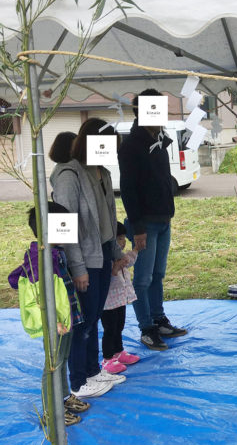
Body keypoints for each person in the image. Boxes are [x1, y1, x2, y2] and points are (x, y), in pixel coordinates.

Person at [50, 118, 127, 398]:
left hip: (104, 252)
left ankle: (93, 370)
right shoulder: (69, 175)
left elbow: (109, 216)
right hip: (82, 258)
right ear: (89, 143)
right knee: (82, 320)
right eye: (105, 146)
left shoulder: (102, 173)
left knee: (94, 316)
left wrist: (117, 254)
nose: (110, 152)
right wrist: (78, 267)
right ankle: (79, 381)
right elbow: (65, 226)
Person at [7, 202, 88, 426]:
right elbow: (31, 293)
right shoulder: (39, 260)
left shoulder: (55, 253)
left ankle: (62, 398)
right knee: (53, 365)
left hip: (67, 319)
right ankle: (51, 412)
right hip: (57, 323)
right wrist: (52, 321)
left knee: (61, 360)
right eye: (64, 224)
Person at [118, 89, 187, 351]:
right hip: (144, 223)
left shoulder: (159, 139)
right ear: (141, 111)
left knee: (158, 274)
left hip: (163, 218)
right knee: (143, 279)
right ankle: (146, 327)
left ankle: (159, 319)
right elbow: (128, 190)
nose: (161, 115)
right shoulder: (131, 146)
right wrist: (137, 227)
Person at [100, 222, 140, 373]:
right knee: (109, 329)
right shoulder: (104, 259)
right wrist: (115, 267)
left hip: (120, 300)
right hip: (108, 303)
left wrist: (136, 249)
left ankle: (119, 352)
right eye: (118, 239)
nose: (122, 243)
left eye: (123, 238)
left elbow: (129, 261)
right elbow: (107, 275)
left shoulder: (120, 257)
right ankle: (107, 359)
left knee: (119, 326)